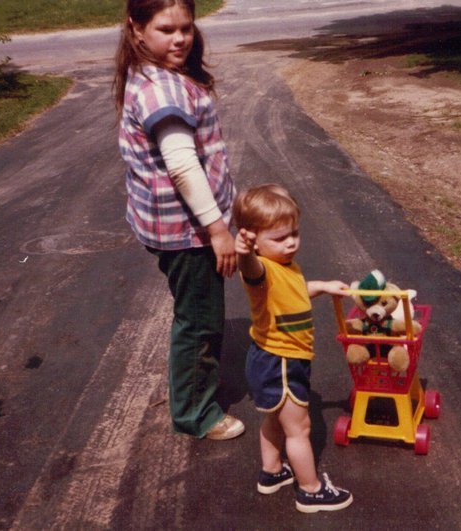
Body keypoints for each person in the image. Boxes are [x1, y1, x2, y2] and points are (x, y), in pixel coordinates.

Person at [114, 0, 243, 441]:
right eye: (166, 29)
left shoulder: (154, 75)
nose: (180, 38)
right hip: (188, 232)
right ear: (137, 29)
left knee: (198, 312)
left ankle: (196, 383)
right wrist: (218, 229)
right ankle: (195, 413)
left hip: (174, 224)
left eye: (186, 27)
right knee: (200, 320)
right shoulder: (162, 91)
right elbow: (183, 167)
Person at [233, 184, 353, 513]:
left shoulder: (286, 267)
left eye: (294, 233)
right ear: (254, 241)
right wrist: (243, 252)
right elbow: (250, 269)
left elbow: (297, 290)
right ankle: (311, 490)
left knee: (273, 420)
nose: (291, 243)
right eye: (280, 238)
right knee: (299, 429)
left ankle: (272, 473)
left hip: (272, 358)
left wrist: (325, 286)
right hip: (282, 361)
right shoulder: (260, 270)